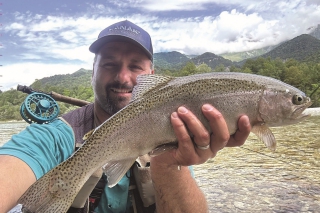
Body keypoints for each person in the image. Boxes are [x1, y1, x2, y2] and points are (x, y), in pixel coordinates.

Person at [0, 20, 251, 213]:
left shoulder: (174, 132)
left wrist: (169, 163)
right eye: (109, 64)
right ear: (93, 72)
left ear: (151, 75)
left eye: (135, 66)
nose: (122, 77)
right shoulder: (54, 136)